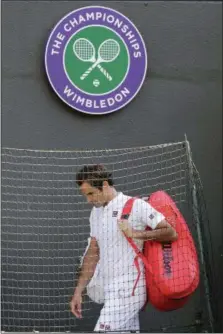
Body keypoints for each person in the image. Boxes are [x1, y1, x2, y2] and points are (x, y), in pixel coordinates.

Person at [70, 164, 178, 332]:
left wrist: (136, 233)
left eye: (91, 193)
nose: (88, 200)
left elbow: (171, 232)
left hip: (129, 290)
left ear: (105, 185)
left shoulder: (135, 205)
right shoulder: (95, 213)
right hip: (109, 290)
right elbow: (93, 252)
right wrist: (79, 291)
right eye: (85, 195)